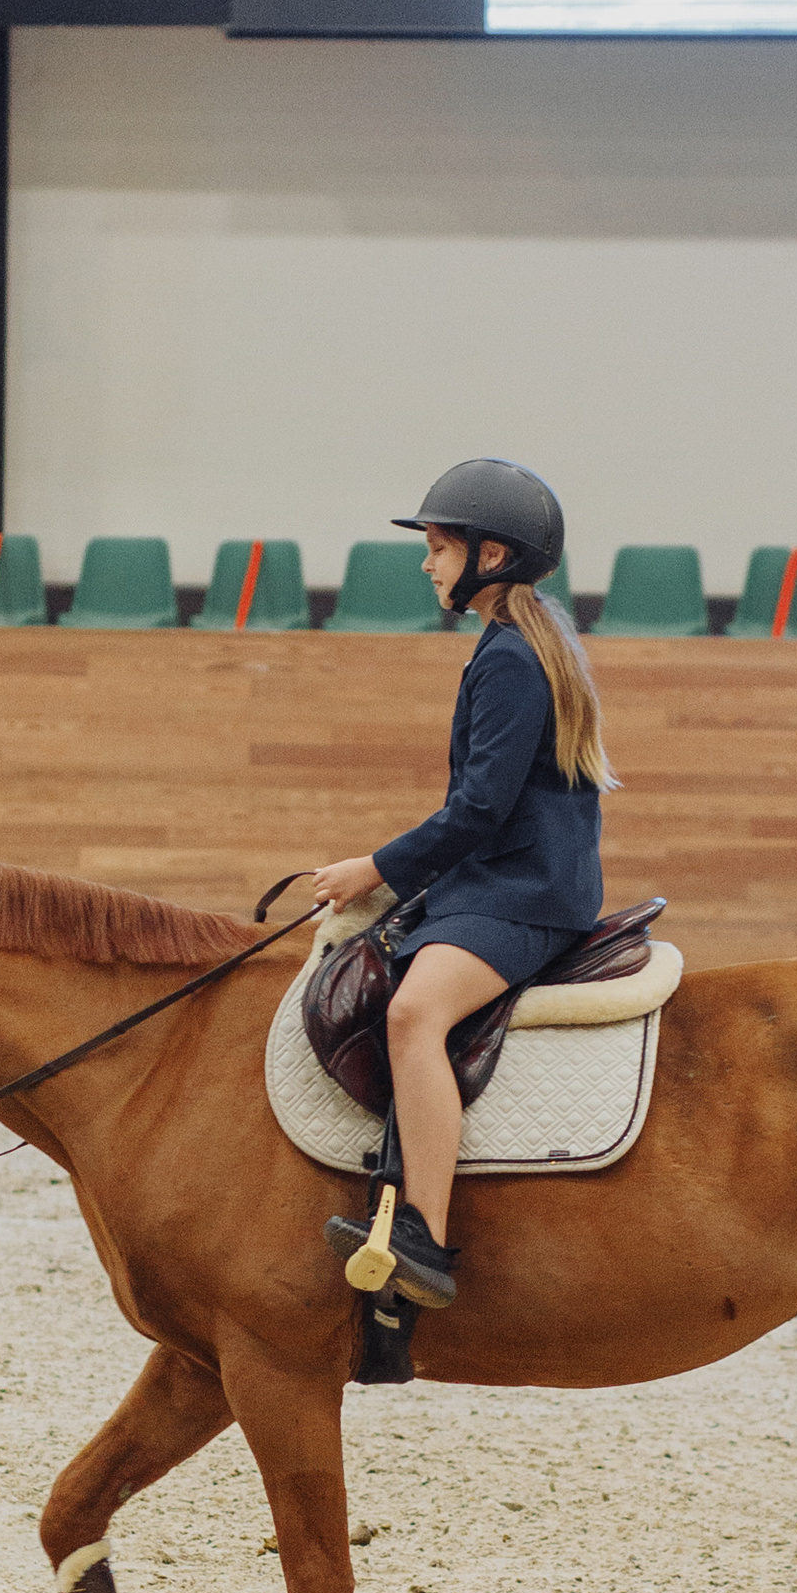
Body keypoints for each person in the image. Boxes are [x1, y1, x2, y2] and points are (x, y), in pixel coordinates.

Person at [311, 460, 614, 1311]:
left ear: (490, 555)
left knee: (413, 1015)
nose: (426, 563)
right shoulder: (518, 639)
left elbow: (478, 809)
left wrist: (371, 867)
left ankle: (423, 1235)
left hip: (525, 891)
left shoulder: (515, 656)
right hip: (504, 880)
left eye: (439, 548)